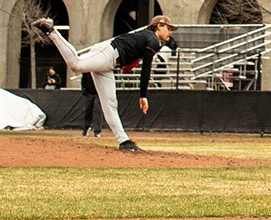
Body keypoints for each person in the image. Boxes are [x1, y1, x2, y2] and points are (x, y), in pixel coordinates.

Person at [34, 14, 172, 153]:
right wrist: (143, 95)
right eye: (168, 27)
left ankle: (124, 141)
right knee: (76, 64)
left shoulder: (147, 37)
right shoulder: (153, 39)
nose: (170, 32)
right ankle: (51, 31)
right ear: (159, 26)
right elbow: (146, 68)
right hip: (108, 53)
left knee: (111, 104)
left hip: (110, 65)